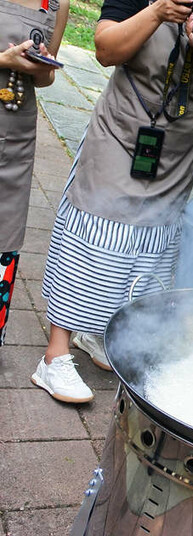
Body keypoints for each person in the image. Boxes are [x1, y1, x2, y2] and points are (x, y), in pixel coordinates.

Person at [32, 0, 193, 403]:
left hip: (178, 142)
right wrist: (158, 12)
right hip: (121, 128)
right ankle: (55, 354)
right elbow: (105, 49)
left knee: (152, 242)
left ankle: (102, 333)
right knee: (94, 230)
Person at [0, 0, 69, 348]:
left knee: (4, 238)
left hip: (14, 133)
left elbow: (48, 78)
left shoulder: (57, 3)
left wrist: (39, 65)